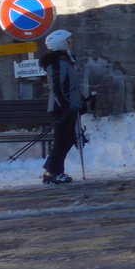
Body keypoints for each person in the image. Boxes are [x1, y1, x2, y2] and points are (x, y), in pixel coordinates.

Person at [39, 29, 93, 185]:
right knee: (62, 140)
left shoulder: (65, 61)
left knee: (68, 139)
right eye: (68, 42)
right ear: (60, 44)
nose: (71, 43)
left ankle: (51, 169)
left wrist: (80, 102)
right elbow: (58, 87)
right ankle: (53, 173)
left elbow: (71, 87)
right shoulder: (58, 63)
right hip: (62, 108)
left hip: (68, 107)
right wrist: (65, 108)